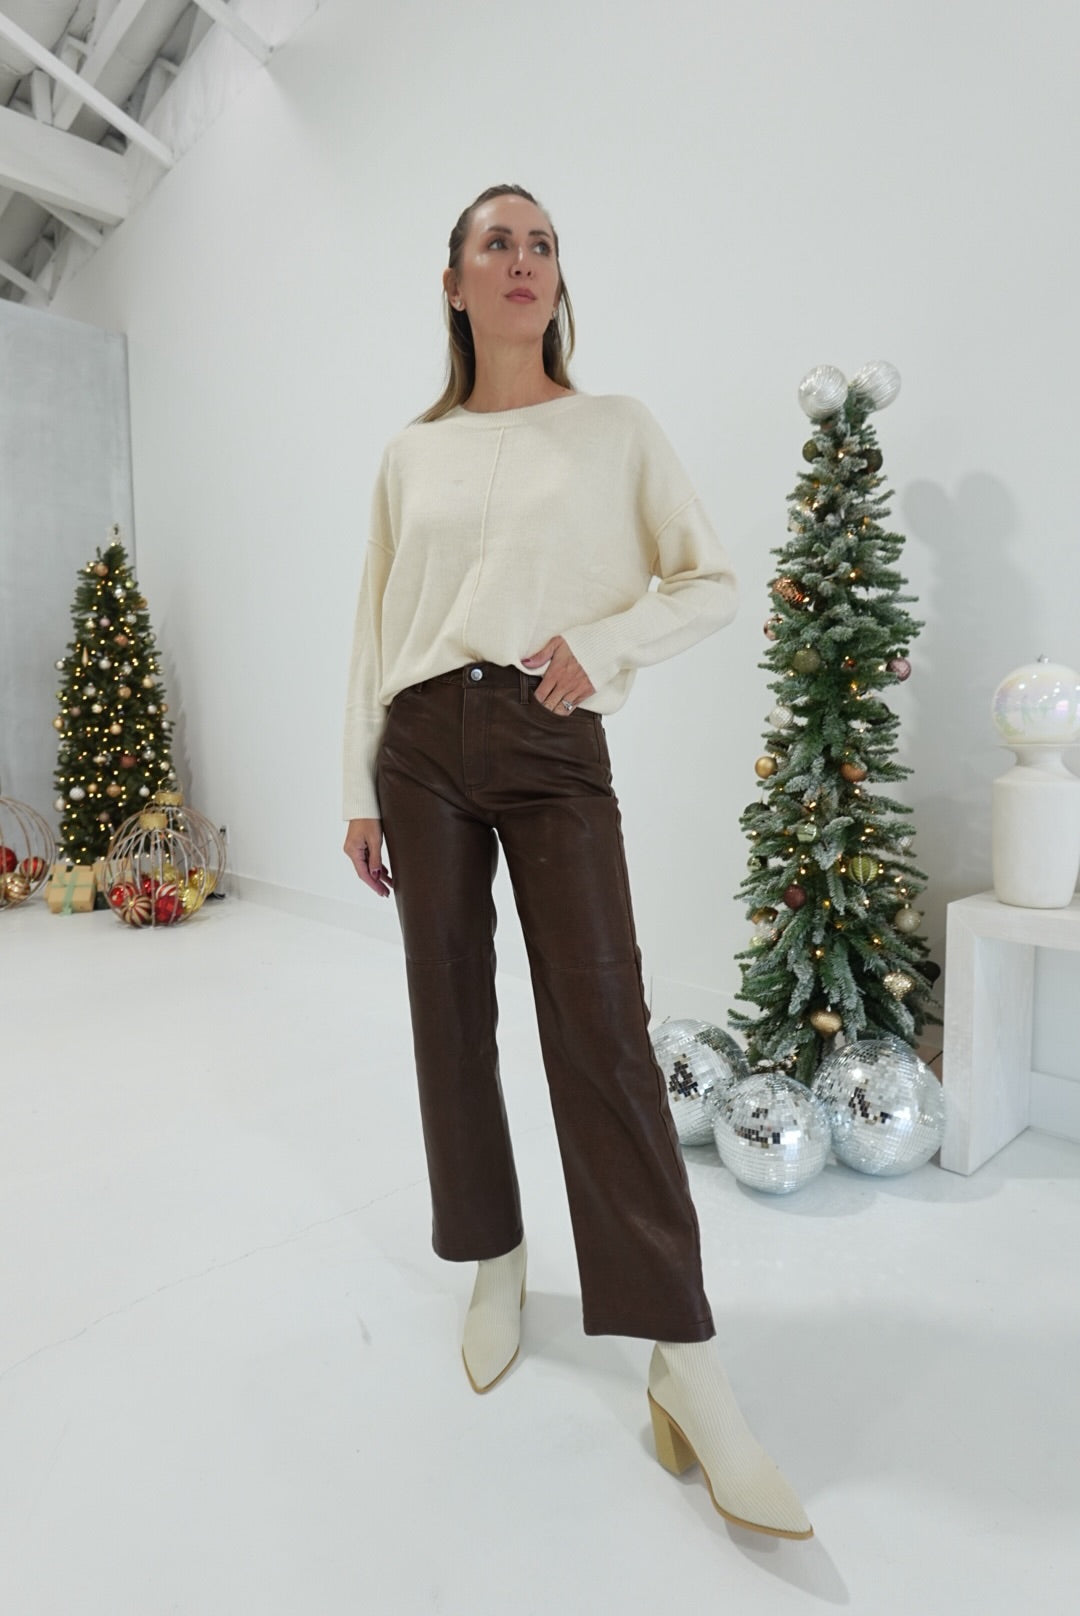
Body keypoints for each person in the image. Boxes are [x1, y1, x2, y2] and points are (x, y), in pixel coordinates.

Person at [342, 184, 812, 1540]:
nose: (524, 260)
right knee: (448, 1014)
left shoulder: (617, 428)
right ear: (453, 283)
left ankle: (684, 1358)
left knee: (602, 1029)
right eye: (497, 242)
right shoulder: (411, 454)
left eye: (542, 244)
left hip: (552, 738)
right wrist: (356, 787)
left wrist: (600, 649)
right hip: (420, 745)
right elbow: (372, 626)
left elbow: (708, 579)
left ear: (557, 280)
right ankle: (492, 1255)